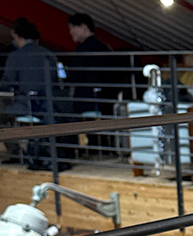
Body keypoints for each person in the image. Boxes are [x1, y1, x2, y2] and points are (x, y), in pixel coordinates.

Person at [0, 16, 65, 169]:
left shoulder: (16, 56)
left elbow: (7, 83)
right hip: (49, 107)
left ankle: (17, 152)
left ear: (18, 36)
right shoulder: (49, 54)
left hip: (27, 106)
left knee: (3, 116)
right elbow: (59, 81)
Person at [66, 12, 113, 116]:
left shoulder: (82, 49)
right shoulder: (103, 47)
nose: (71, 32)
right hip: (104, 100)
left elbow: (75, 75)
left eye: (72, 28)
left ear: (83, 27)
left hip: (86, 100)